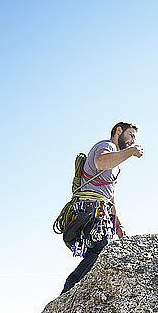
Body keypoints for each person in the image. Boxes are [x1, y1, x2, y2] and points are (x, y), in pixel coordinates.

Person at [61, 122, 144, 294]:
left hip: (100, 210)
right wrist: (131, 151)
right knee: (101, 248)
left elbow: (110, 196)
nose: (132, 140)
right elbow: (101, 162)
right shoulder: (106, 146)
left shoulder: (116, 164)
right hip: (91, 209)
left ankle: (77, 288)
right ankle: (71, 286)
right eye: (131, 135)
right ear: (119, 131)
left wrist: (118, 224)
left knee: (97, 250)